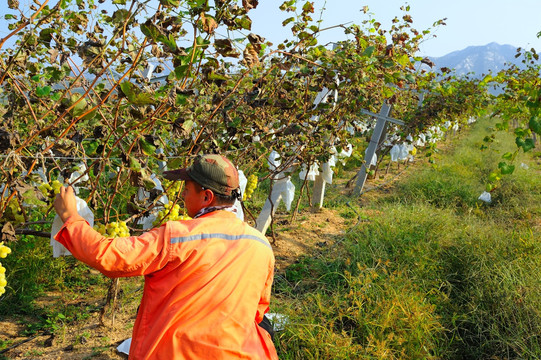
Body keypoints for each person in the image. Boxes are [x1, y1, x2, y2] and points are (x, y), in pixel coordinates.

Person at [53, 154, 278, 360]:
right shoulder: (261, 245)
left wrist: (70, 217)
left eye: (187, 189)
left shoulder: (177, 238)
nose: (182, 195)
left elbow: (110, 257)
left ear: (207, 196)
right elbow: (258, 310)